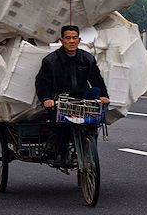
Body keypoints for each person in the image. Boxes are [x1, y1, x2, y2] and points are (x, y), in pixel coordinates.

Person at [35, 25, 109, 166]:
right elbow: (42, 83)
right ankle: (60, 153)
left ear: (79, 40)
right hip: (60, 100)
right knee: (60, 126)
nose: (71, 41)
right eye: (68, 38)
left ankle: (88, 148)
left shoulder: (87, 59)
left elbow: (97, 80)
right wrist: (46, 99)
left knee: (94, 106)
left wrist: (103, 96)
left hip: (81, 99)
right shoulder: (50, 61)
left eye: (74, 38)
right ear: (62, 40)